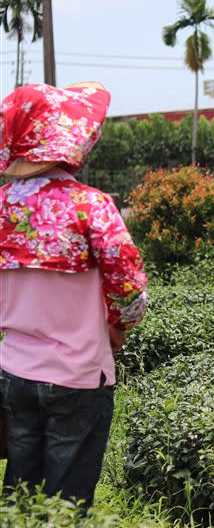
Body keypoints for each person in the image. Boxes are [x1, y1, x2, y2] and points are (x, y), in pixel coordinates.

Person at [0, 82, 148, 507]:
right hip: (78, 371)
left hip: (14, 370)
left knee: (20, 495)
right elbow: (129, 286)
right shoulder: (90, 206)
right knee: (68, 500)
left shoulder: (3, 205)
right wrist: (120, 325)